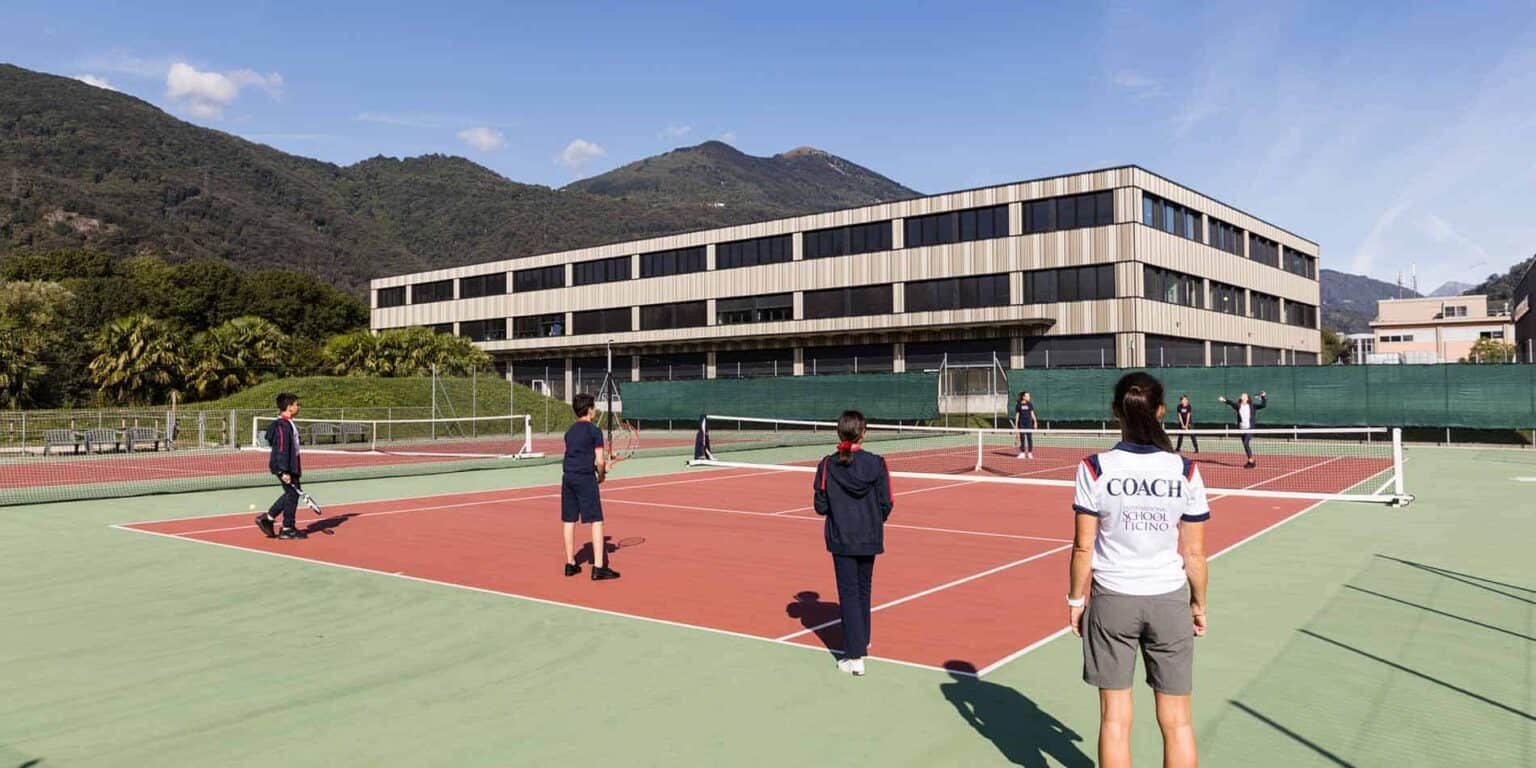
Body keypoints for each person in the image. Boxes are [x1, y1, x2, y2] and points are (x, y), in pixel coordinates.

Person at [1068, 371, 1209, 768]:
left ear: (1117, 412)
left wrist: (1076, 600)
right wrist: (1198, 605)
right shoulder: (1185, 471)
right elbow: (1195, 555)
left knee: (1114, 718)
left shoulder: (1095, 468)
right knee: (1178, 722)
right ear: (1162, 411)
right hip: (1169, 601)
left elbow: (1082, 545)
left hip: (1112, 600)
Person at [812, 410, 893, 676]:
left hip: (843, 539)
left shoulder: (827, 465)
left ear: (839, 432)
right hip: (868, 537)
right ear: (863, 433)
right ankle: (862, 640)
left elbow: (820, 505)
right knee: (862, 590)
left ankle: (855, 656)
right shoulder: (876, 463)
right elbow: (886, 503)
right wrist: (870, 521)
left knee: (849, 593)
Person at [562, 393, 619, 580]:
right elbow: (600, 461)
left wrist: (598, 467)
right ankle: (599, 568)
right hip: (585, 479)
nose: (595, 410)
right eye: (594, 407)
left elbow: (580, 456)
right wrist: (602, 473)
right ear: (589, 410)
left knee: (569, 520)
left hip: (568, 477)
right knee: (596, 521)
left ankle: (570, 564)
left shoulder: (569, 432)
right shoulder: (595, 431)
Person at [254, 392, 306, 540]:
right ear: (289, 407)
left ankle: (269, 518)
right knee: (292, 494)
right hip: (285, 466)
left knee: (293, 494)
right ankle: (287, 528)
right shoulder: (282, 426)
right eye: (296, 404)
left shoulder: (288, 423)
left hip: (291, 465)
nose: (298, 407)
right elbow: (282, 449)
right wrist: (283, 471)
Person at [1217, 391, 1267, 468]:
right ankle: (1251, 461)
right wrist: (1224, 400)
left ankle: (1251, 461)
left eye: (1244, 396)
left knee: (1246, 443)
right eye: (1242, 396)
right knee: (1245, 444)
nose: (1243, 396)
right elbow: (1231, 403)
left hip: (1250, 428)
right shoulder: (1238, 406)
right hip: (1241, 428)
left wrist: (1263, 397)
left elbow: (1263, 405)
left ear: (1247, 398)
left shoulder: (1252, 406)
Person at [1013, 391, 1038, 459]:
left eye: (1029, 396)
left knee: (1029, 438)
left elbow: (1032, 413)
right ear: (1023, 397)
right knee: (1022, 438)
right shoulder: (1018, 405)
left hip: (1028, 423)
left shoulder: (1030, 404)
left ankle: (1030, 453)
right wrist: (1016, 425)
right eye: (1027, 396)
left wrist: (1035, 422)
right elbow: (1017, 416)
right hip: (1021, 424)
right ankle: (1022, 453)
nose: (1029, 397)